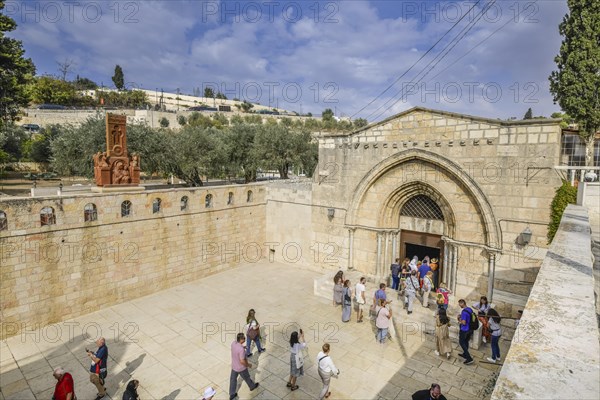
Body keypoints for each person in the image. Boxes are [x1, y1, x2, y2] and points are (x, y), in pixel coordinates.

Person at [229, 333, 259, 400]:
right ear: (241, 339)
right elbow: (242, 361)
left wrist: (243, 347)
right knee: (247, 377)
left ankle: (232, 394)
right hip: (241, 368)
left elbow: (237, 348)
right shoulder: (241, 350)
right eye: (244, 338)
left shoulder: (233, 343)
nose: (245, 339)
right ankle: (252, 386)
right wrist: (248, 365)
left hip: (234, 366)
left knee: (233, 380)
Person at [457, 299, 474, 365]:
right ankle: (464, 354)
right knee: (466, 341)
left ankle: (469, 358)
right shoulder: (469, 309)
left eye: (459, 304)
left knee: (461, 342)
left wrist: (459, 319)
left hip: (464, 330)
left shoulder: (464, 312)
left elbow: (463, 322)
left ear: (462, 303)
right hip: (470, 329)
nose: (459, 305)